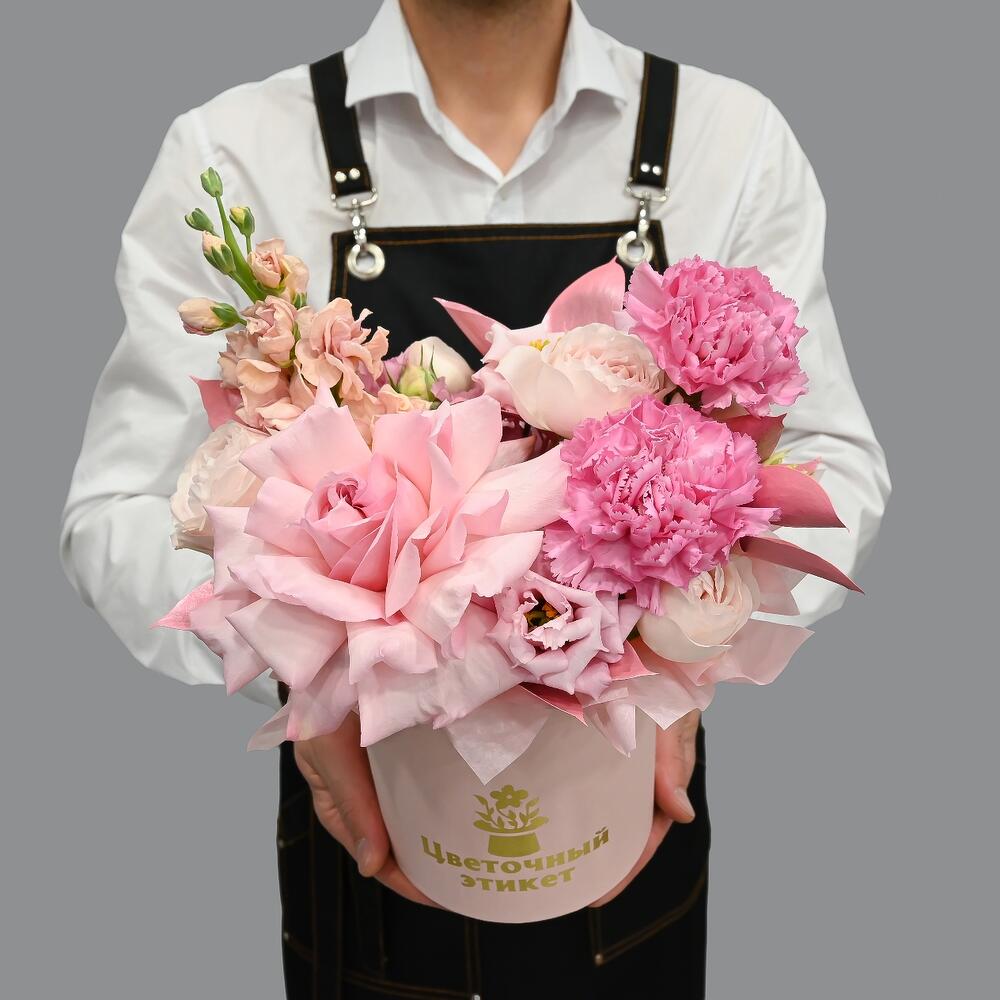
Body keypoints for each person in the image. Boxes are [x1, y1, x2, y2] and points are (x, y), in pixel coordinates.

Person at [59, 0, 890, 996]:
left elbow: (833, 464)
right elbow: (116, 515)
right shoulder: (234, 151)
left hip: (633, 833)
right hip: (366, 868)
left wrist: (688, 653)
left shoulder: (728, 136)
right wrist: (310, 662)